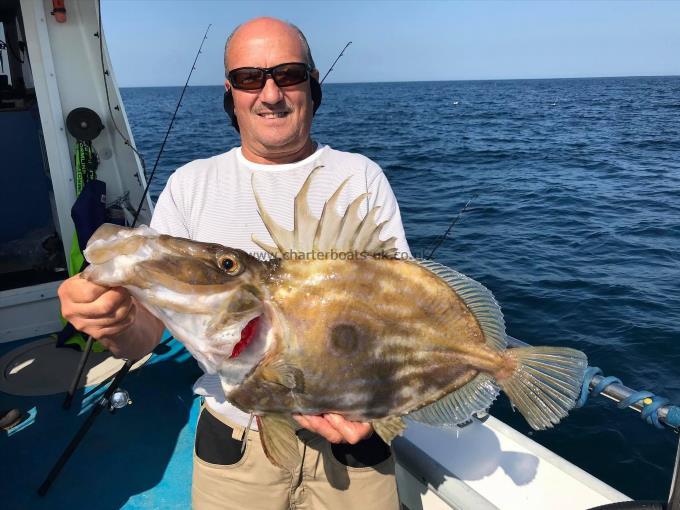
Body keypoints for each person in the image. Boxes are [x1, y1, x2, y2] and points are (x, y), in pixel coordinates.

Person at [58, 17, 410, 510]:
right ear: (231, 93)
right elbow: (148, 332)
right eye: (249, 78)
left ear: (312, 84)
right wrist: (113, 323)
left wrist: (373, 400)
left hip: (348, 431)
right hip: (236, 439)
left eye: (288, 74)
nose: (270, 94)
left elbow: (396, 308)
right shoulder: (191, 183)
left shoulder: (361, 177)